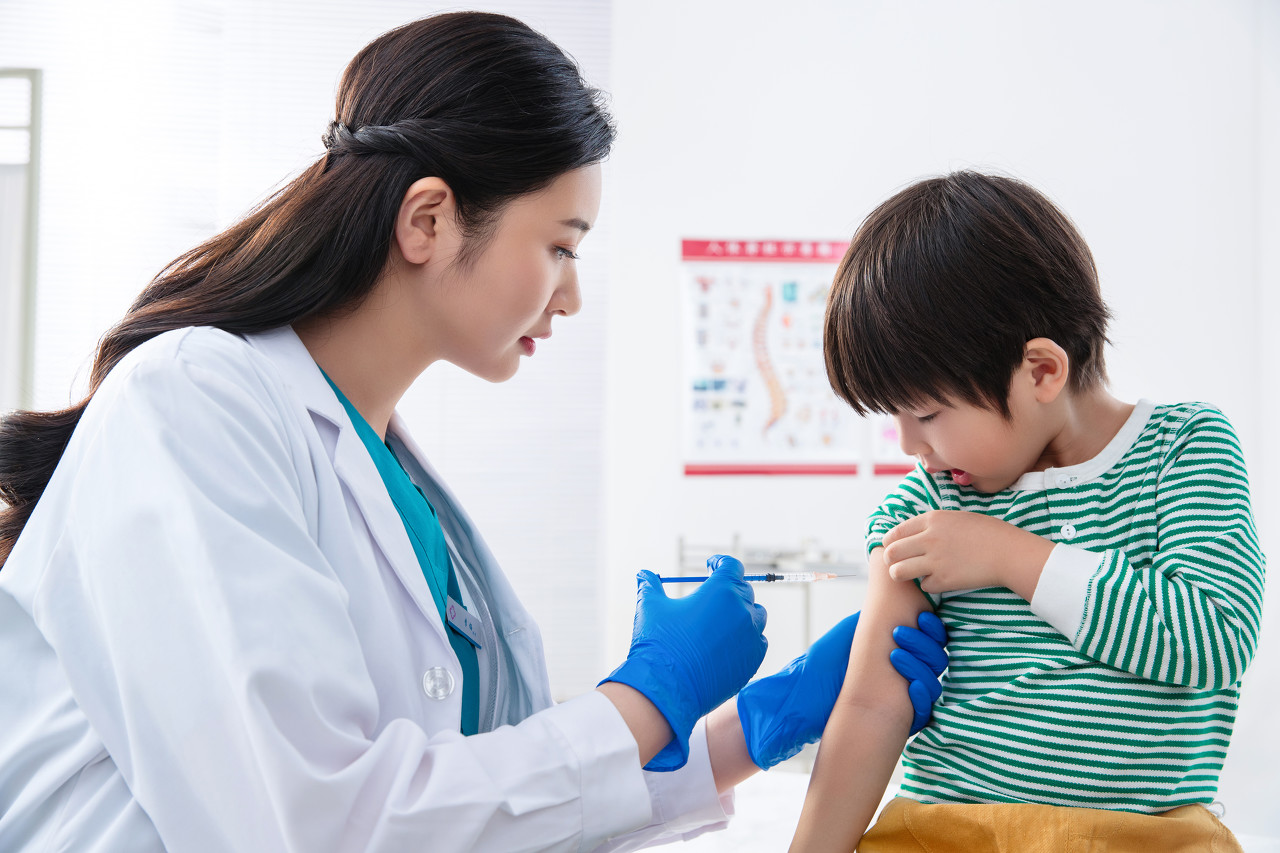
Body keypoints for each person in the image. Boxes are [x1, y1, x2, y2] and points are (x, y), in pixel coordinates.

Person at [0, 13, 948, 852]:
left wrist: (756, 724)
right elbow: (310, 827)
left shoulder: (403, 487)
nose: (571, 296)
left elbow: (486, 809)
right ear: (429, 219)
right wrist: (647, 694)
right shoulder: (194, 402)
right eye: (560, 246)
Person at [787, 171, 1266, 853]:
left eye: (927, 413)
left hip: (1142, 838)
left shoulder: (1182, 449)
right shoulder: (928, 503)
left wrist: (1009, 556)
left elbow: (1213, 638)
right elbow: (871, 704)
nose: (909, 446)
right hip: (946, 831)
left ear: (1041, 371)